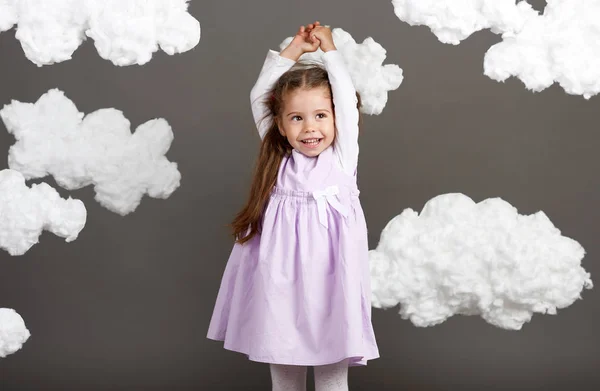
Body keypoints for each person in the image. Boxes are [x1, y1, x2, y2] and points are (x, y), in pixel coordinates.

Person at [207, 21, 379, 391]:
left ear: (335, 118)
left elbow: (346, 100)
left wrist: (329, 51)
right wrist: (293, 52)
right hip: (280, 281)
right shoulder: (280, 161)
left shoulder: (342, 159)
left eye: (321, 115)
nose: (309, 128)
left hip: (332, 281)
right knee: (283, 365)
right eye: (297, 118)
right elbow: (259, 96)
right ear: (281, 126)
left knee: (332, 368)